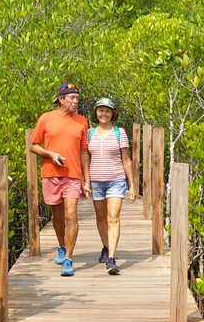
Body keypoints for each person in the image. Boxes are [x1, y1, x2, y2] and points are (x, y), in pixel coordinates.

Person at [30, 82, 91, 277]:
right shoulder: (46, 118)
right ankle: (61, 246)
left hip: (73, 175)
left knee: (71, 215)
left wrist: (86, 180)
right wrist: (49, 154)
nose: (75, 101)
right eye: (72, 98)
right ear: (61, 99)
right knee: (57, 215)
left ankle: (68, 259)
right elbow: (33, 145)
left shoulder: (82, 121)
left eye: (77, 98)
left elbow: (83, 152)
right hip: (51, 173)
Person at [87, 98, 136, 274]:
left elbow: (126, 160)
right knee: (101, 217)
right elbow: (85, 160)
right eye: (101, 110)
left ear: (113, 113)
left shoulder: (119, 132)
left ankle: (111, 259)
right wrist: (85, 182)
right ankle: (106, 246)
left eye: (107, 111)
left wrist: (132, 185)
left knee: (113, 217)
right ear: (96, 113)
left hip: (116, 181)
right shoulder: (89, 133)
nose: (104, 114)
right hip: (96, 182)